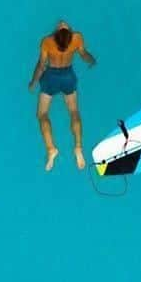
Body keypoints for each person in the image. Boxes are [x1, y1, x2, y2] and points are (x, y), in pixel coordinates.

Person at [28, 22, 96, 171]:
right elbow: (84, 54)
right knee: (74, 112)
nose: (62, 23)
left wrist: (33, 82)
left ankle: (51, 149)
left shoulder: (47, 41)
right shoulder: (77, 38)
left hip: (51, 77)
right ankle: (78, 147)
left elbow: (41, 66)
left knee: (42, 114)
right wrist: (92, 61)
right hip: (67, 77)